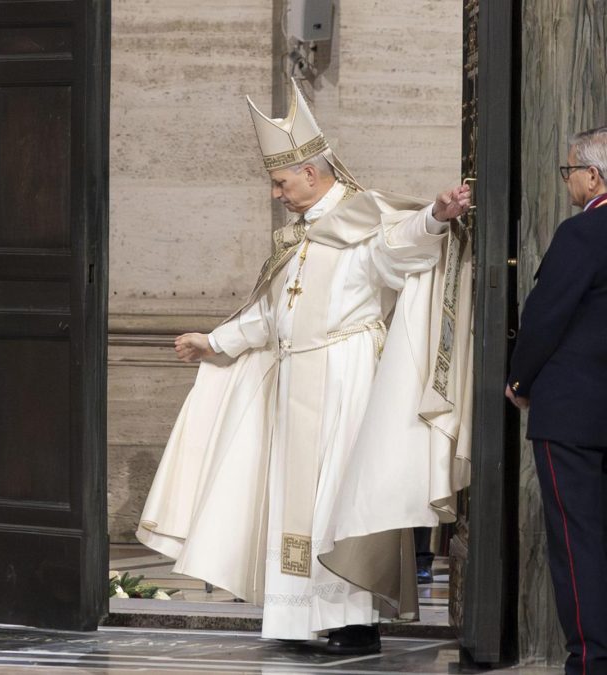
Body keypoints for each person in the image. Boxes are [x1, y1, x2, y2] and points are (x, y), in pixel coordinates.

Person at [137, 78, 474, 655]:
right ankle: (297, 617)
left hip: (347, 382)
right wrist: (212, 342)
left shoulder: (359, 223)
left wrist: (436, 218)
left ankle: (352, 618)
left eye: (280, 181)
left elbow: (400, 246)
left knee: (339, 500)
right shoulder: (297, 239)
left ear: (313, 176)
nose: (275, 193)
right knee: (293, 501)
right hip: (296, 380)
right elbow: (270, 317)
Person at [506, 125, 607, 675]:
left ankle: (591, 660)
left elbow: (544, 317)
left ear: (593, 176)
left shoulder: (582, 232)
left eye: (570, 171)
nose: (567, 180)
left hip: (571, 413)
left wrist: (519, 381)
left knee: (577, 541)